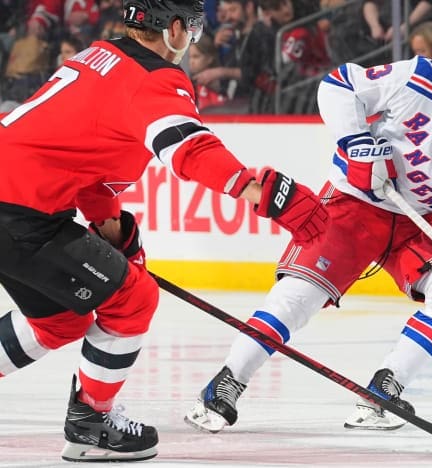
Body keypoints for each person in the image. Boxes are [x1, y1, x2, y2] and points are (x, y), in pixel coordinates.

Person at [0, 0, 328, 462]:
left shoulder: (99, 54)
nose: (192, 42)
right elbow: (190, 150)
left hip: (16, 204)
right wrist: (263, 193)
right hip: (20, 211)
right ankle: (91, 424)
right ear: (173, 28)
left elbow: (93, 174)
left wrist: (116, 236)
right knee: (133, 299)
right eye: (192, 30)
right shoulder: (154, 79)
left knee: (59, 319)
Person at [185, 16, 432, 433]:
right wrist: (357, 143)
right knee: (298, 296)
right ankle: (226, 383)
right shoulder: (417, 76)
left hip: (415, 224)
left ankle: (382, 393)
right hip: (353, 204)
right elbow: (339, 84)